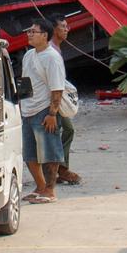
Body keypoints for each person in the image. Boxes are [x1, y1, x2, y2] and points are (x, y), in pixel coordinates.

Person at [20, 21, 67, 203]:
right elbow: (26, 81)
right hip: (28, 109)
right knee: (29, 153)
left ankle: (50, 190)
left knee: (49, 151)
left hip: (44, 110)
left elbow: (57, 88)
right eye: (29, 31)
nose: (30, 34)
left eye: (34, 31)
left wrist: (52, 114)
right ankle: (40, 186)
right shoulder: (29, 55)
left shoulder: (52, 58)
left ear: (45, 35)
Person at [50, 17, 82, 186]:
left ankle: (60, 168)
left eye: (66, 26)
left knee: (65, 130)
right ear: (54, 29)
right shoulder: (50, 51)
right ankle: (60, 170)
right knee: (65, 130)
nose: (66, 29)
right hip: (53, 99)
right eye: (63, 26)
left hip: (57, 98)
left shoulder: (56, 49)